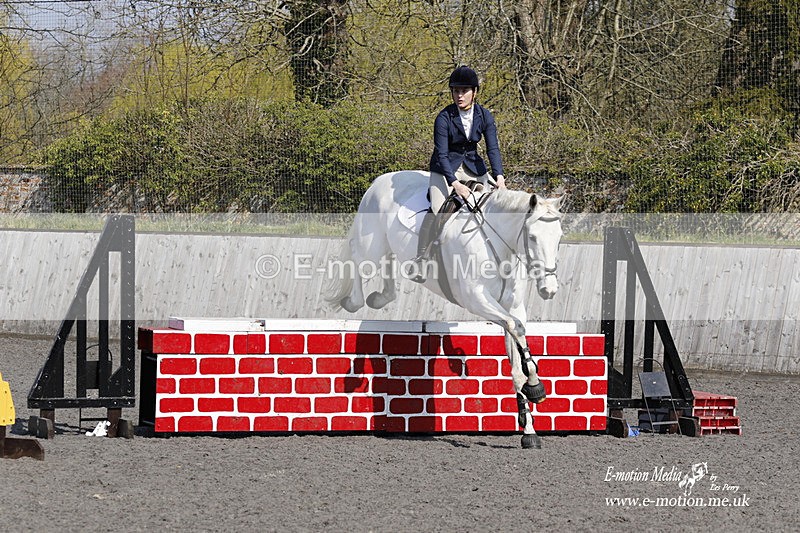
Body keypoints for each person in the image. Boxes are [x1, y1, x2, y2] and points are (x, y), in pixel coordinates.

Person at [411, 65, 506, 282]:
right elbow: (442, 155)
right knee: (437, 208)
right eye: (455, 91)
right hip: (445, 168)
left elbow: (493, 148)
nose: (459, 95)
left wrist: (499, 176)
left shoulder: (485, 115)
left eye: (464, 90)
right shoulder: (443, 118)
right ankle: (421, 259)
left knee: (494, 202)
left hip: (472, 165)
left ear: (475, 92)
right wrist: (455, 183)